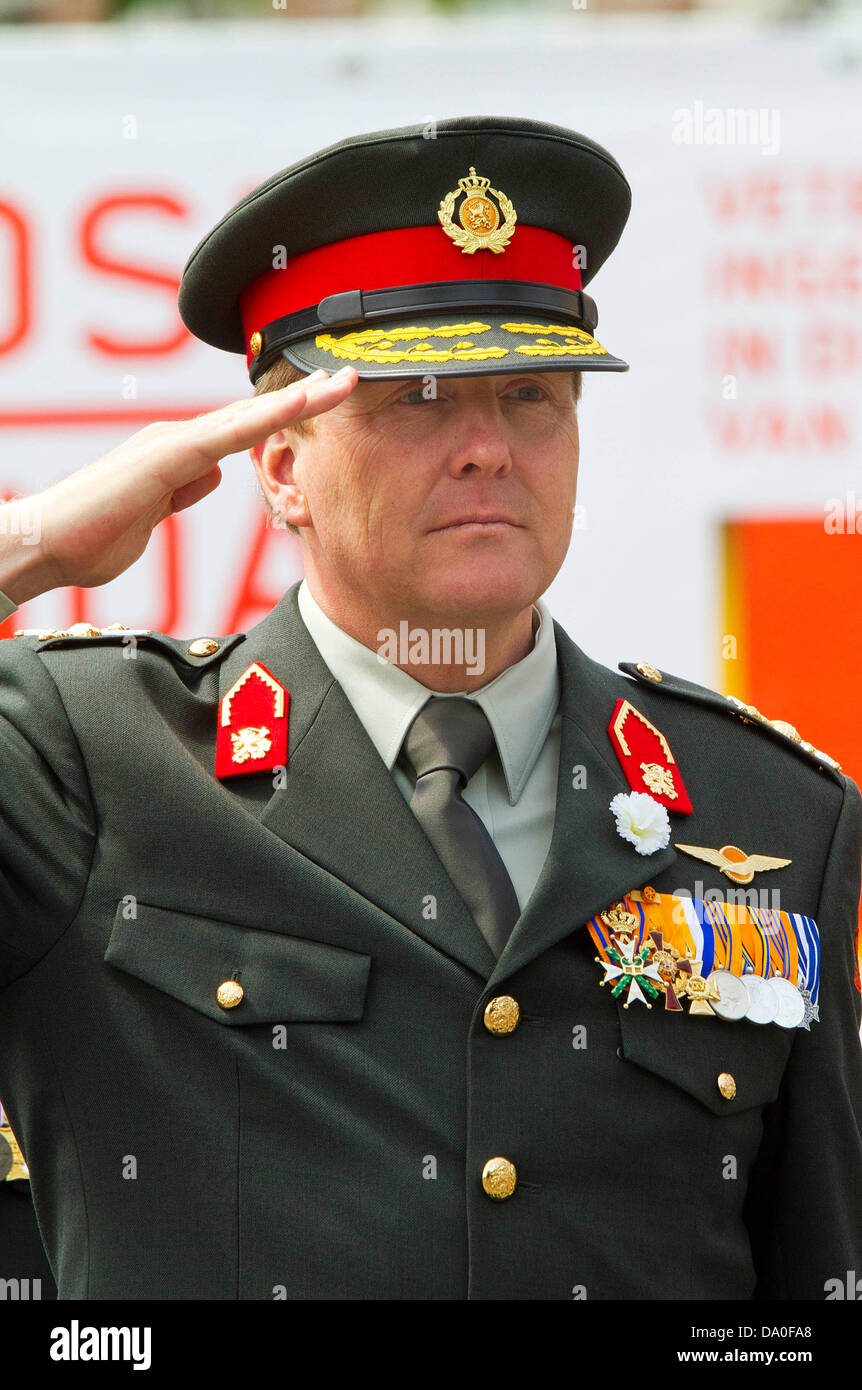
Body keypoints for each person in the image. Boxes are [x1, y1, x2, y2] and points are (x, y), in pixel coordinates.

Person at [0, 115, 860, 1301]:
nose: (486, 449)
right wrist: (32, 542)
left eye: (531, 397)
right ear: (282, 463)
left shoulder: (767, 810)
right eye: (416, 399)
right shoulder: (89, 757)